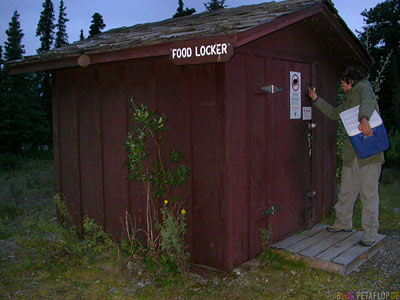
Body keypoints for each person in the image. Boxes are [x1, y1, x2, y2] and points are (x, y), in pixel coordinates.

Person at [308, 67, 384, 247]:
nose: (341, 86)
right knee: (347, 191)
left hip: (370, 154)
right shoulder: (350, 100)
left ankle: (371, 233)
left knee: (369, 194)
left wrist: (364, 118)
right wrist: (316, 99)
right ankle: (343, 222)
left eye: (342, 83)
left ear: (350, 81)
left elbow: (368, 103)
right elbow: (335, 114)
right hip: (353, 154)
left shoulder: (364, 89)